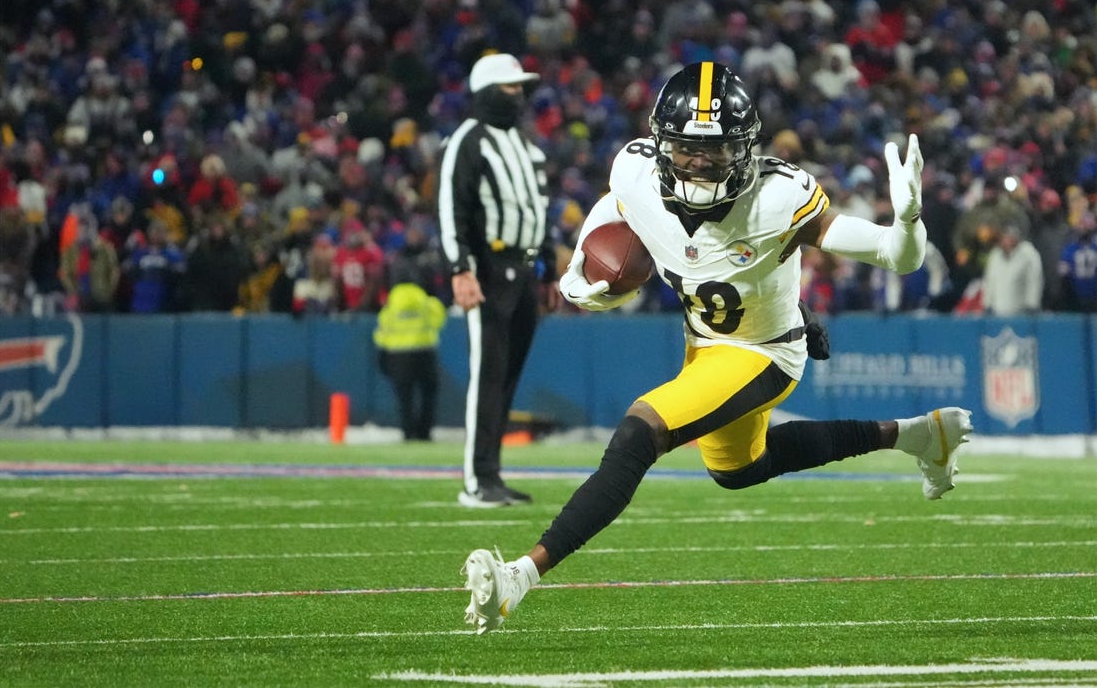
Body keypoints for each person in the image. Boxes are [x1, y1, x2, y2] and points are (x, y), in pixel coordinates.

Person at [460, 61, 973, 634]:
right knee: (739, 471)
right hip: (705, 344)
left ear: (746, 149)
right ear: (660, 145)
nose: (700, 163)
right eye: (685, 148)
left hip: (764, 352)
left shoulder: (779, 198)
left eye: (718, 149)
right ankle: (919, 435)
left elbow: (896, 257)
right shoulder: (634, 171)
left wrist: (908, 221)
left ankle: (519, 577)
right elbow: (615, 206)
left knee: (639, 433)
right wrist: (581, 268)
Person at [437, 52, 560, 508]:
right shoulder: (468, 141)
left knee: (507, 378)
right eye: (510, 87)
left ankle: (492, 473)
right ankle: (476, 480)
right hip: (489, 270)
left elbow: (539, 211)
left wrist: (546, 268)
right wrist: (460, 268)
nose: (519, 95)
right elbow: (453, 211)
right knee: (487, 377)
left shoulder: (527, 147)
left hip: (525, 272)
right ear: (488, 91)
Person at [373, 281, 447, 442]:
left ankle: (408, 432)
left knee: (404, 398)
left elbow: (382, 332)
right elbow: (439, 320)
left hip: (399, 356)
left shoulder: (391, 306)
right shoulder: (427, 303)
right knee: (428, 395)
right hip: (424, 353)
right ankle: (424, 432)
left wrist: (383, 358)